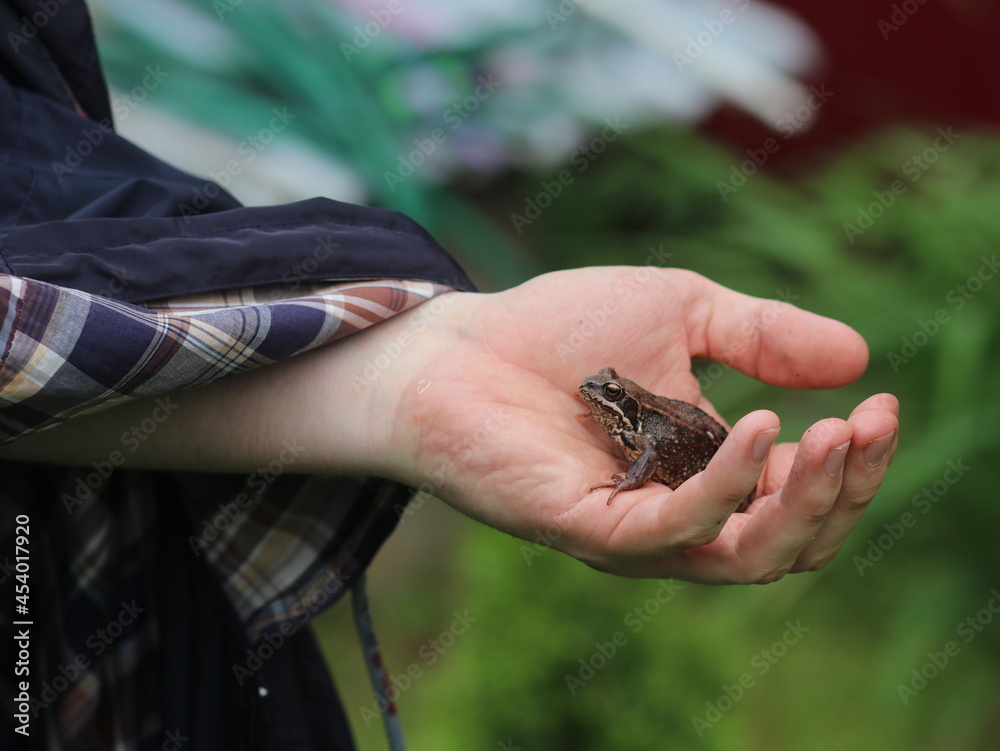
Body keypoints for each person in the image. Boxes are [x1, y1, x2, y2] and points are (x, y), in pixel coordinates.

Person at [0, 1, 899, 750]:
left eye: (607, 392)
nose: (598, 398)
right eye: (605, 395)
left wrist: (404, 368)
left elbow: (44, 208)